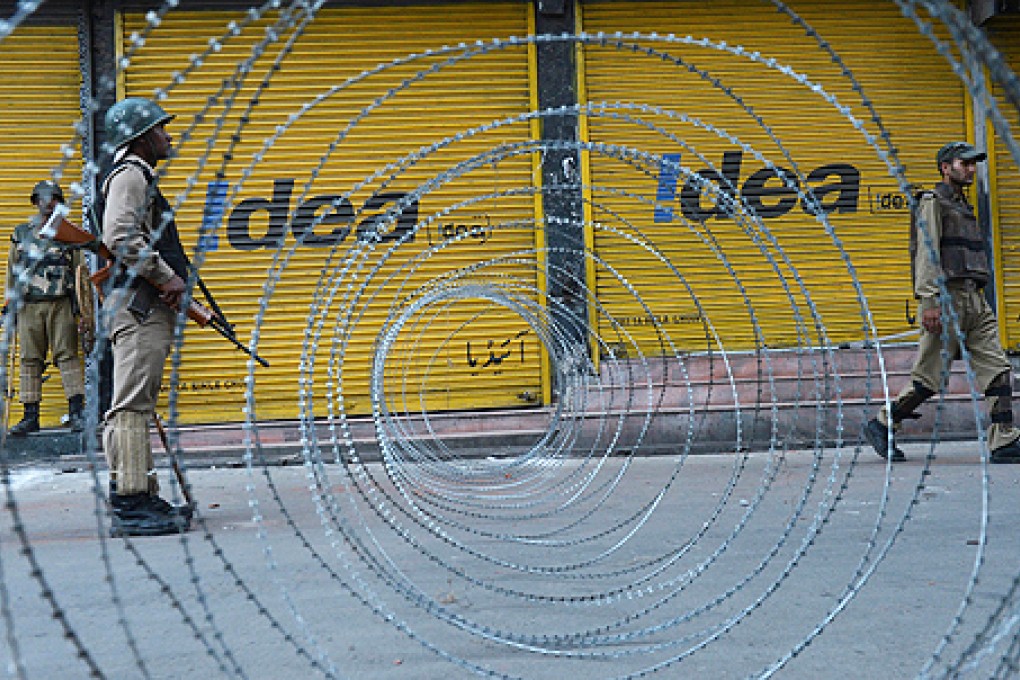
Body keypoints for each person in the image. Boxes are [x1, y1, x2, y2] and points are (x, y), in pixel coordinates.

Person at [864, 141, 1020, 464]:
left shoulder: (962, 205)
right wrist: (930, 301)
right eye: (965, 163)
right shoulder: (932, 202)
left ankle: (1004, 440)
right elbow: (927, 253)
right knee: (929, 378)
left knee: (998, 370)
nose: (971, 169)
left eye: (974, 164)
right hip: (947, 298)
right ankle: (883, 422)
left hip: (975, 300)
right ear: (946, 168)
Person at [100, 97, 193, 536]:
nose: (167, 136)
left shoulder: (136, 175)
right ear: (140, 138)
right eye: (160, 129)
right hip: (139, 307)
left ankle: (141, 493)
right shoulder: (130, 175)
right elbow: (120, 235)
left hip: (141, 306)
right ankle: (131, 504)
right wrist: (165, 276)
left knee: (136, 405)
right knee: (132, 407)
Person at [5, 180, 85, 436]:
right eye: (43, 198)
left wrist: (84, 311)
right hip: (29, 306)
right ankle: (30, 416)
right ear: (36, 201)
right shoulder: (21, 233)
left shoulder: (69, 234)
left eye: (54, 198)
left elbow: (80, 274)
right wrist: (9, 305)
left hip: (61, 304)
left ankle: (76, 413)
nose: (48, 203)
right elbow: (12, 270)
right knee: (29, 359)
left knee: (67, 356)